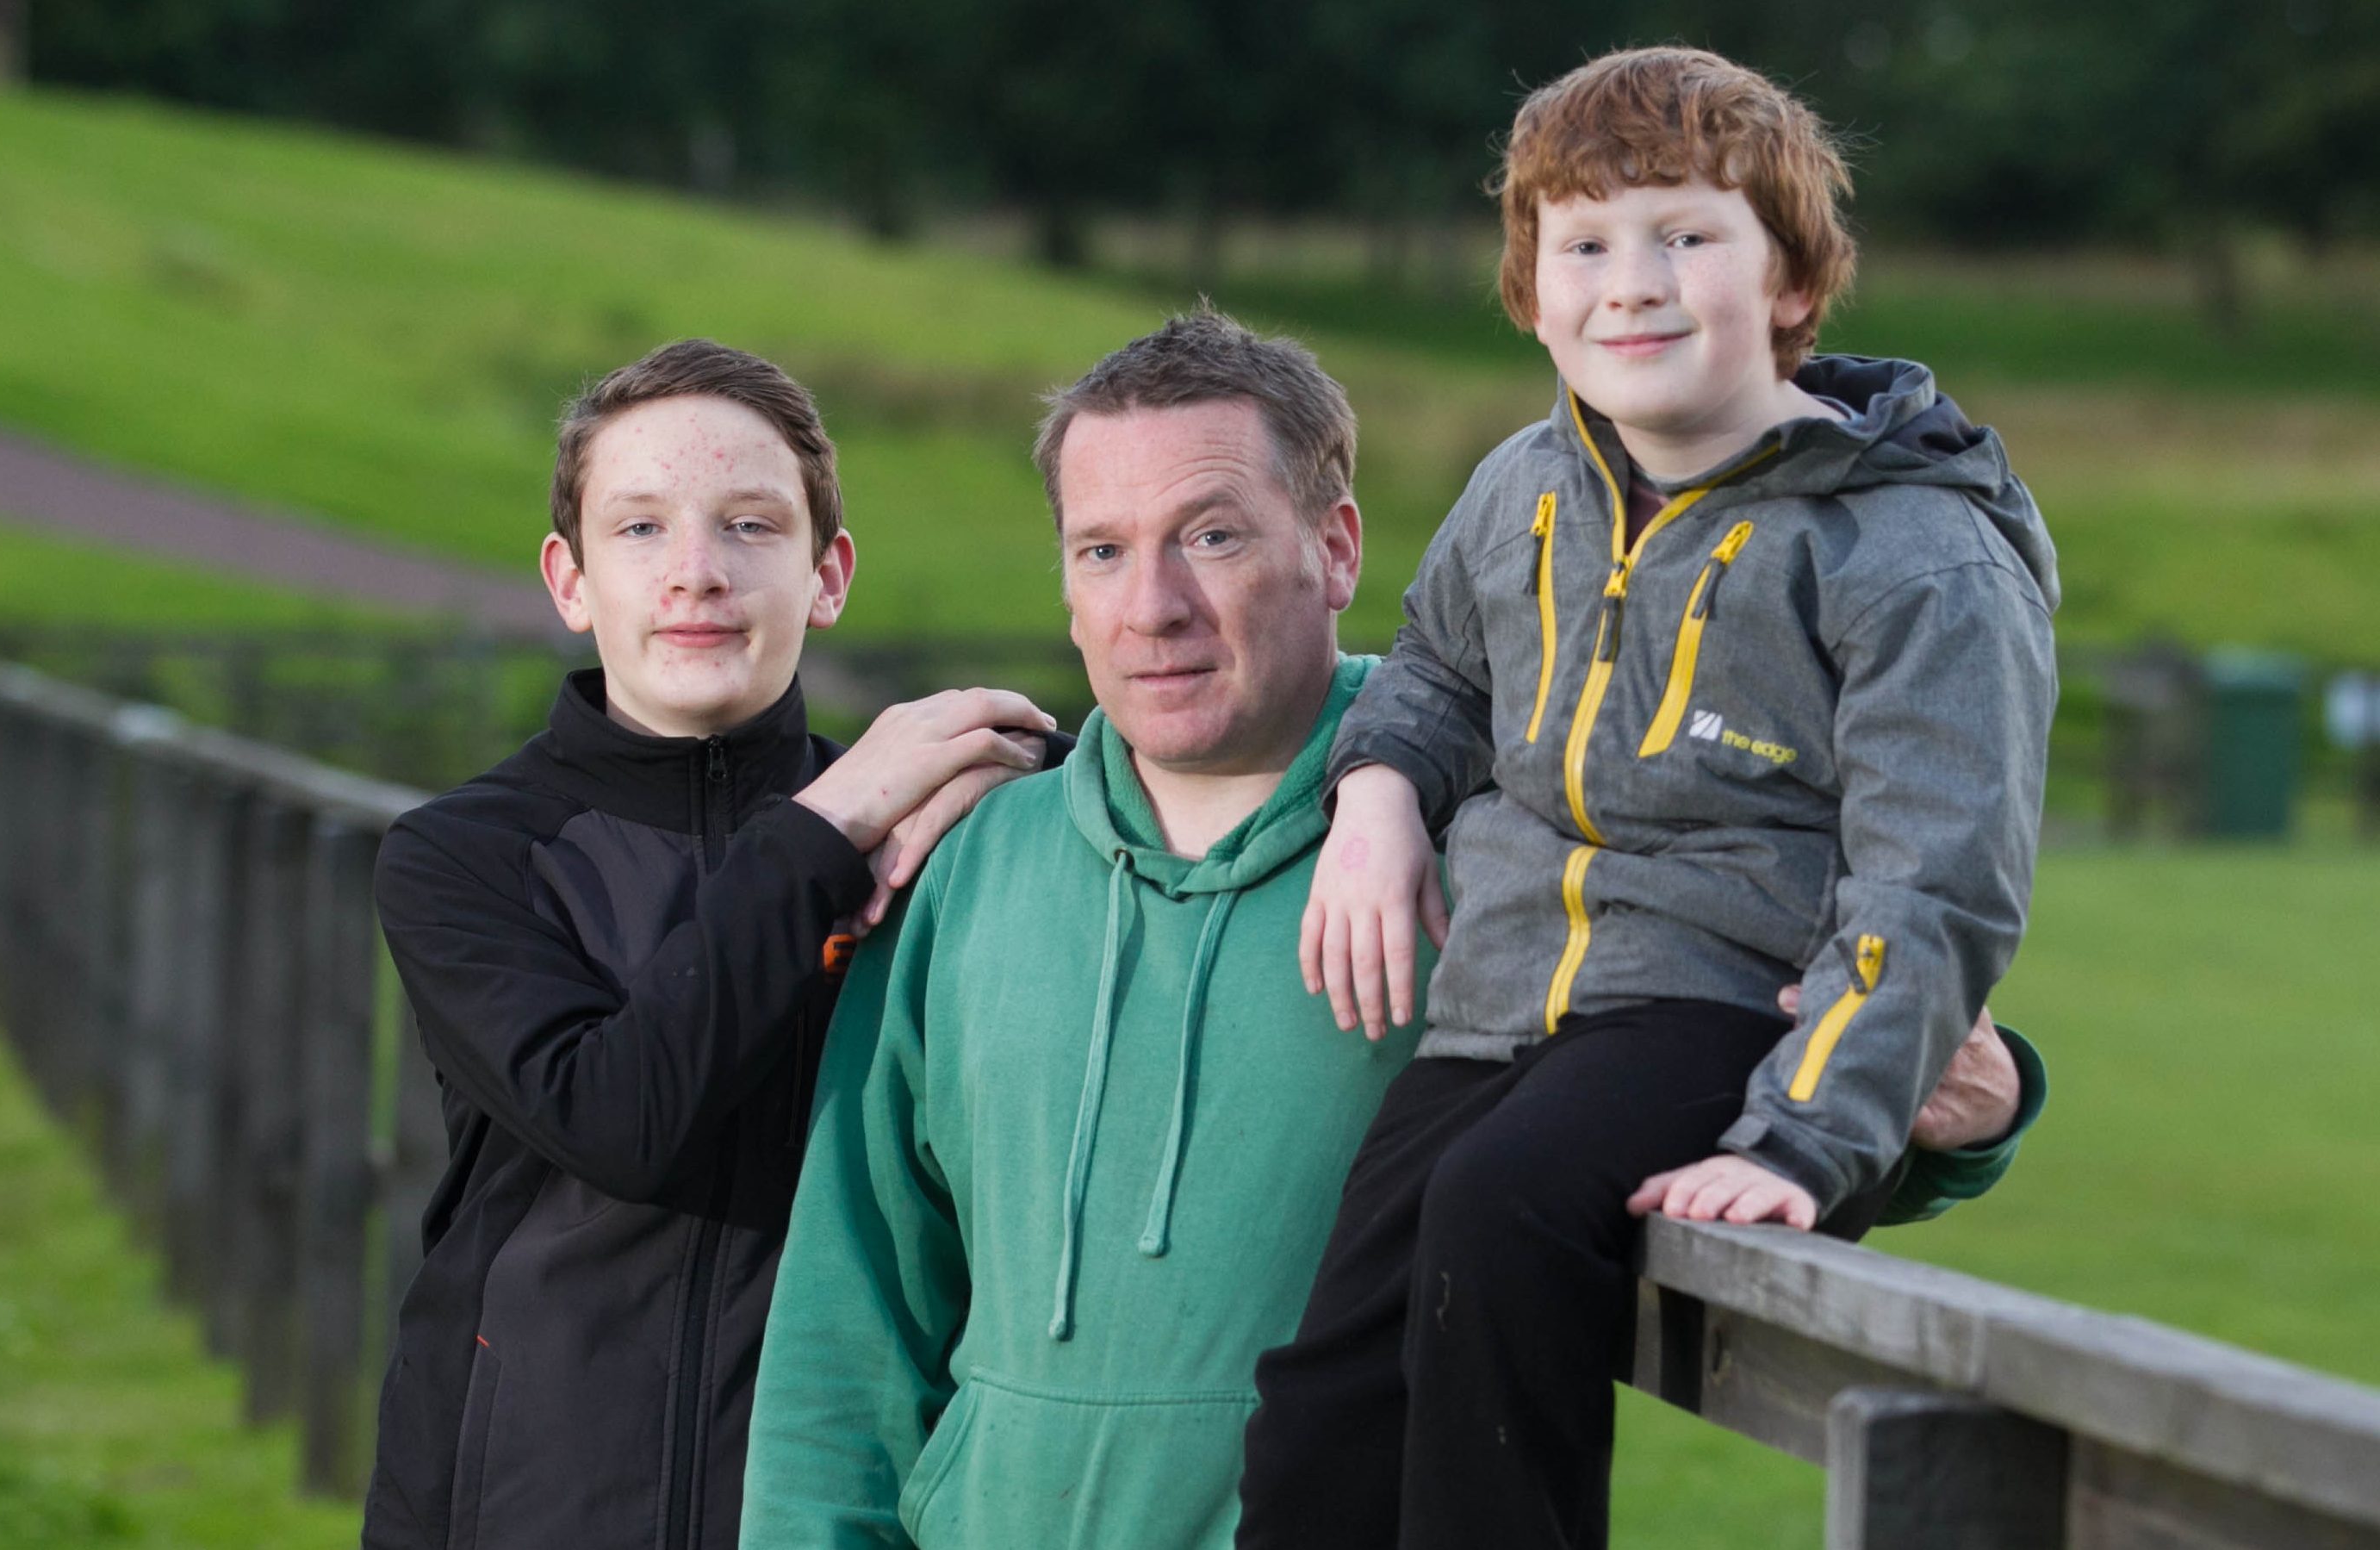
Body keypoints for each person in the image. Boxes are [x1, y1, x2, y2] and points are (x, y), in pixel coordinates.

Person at [740, 311, 2044, 1548]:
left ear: (1340, 550)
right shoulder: (966, 863)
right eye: (1103, 549)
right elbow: (849, 1317)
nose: (1153, 606)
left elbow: (1697, 1051)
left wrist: (1968, 1116)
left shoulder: (1516, 845)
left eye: (1212, 537)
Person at [1240, 48, 2060, 1550]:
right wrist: (1375, 797)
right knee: (1323, 1399)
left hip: (1726, 1010)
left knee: (1497, 1221)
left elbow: (1932, 887)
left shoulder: (1914, 557)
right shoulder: (1521, 488)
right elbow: (1434, 668)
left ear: (1793, 280)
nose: (1635, 282)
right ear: (1533, 290)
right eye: (1586, 243)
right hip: (1497, 1014)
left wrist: (1797, 1144)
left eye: (1689, 235)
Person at [360, 339, 1060, 1550]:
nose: (697, 573)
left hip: (843, 1507)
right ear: (570, 581)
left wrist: (1038, 772)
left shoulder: (936, 834)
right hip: (518, 1507)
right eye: (639, 530)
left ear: (827, 573)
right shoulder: (462, 856)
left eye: (749, 526)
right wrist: (826, 831)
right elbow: (619, 1118)